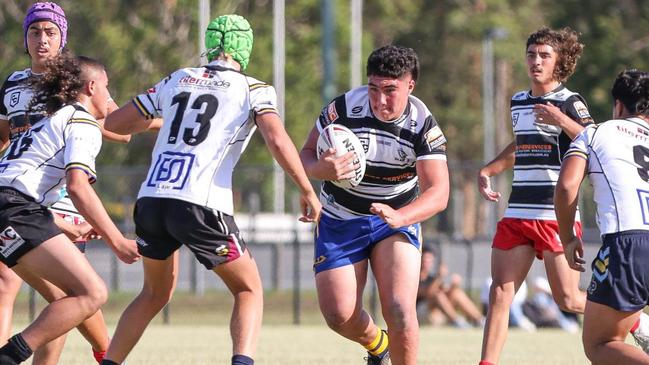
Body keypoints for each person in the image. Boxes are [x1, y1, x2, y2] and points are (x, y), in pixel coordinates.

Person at [99, 14, 321, 365]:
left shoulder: (178, 78)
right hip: (199, 205)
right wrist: (307, 189)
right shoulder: (255, 88)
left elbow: (114, 123)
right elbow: (276, 139)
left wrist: (167, 119)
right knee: (248, 289)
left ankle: (109, 362)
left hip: (152, 200)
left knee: (154, 293)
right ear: (243, 49)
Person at [477, 26, 649, 365]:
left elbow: (593, 140)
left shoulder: (571, 102)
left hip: (554, 213)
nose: (536, 61)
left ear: (560, 62)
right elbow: (522, 144)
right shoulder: (519, 101)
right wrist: (489, 169)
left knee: (569, 299)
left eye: (544, 55)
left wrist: (561, 119)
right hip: (517, 211)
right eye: (531, 54)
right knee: (500, 292)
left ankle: (636, 321)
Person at [0, 3, 133, 364]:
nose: (42, 39)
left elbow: (121, 124)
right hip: (24, 201)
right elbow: (78, 183)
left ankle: (104, 353)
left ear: (63, 39)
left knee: (67, 298)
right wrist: (116, 238)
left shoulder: (70, 92)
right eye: (35, 31)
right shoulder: (75, 116)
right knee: (84, 293)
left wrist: (165, 118)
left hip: (31, 202)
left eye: (50, 32)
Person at [300, 45, 449, 365]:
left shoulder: (422, 123)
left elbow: (439, 192)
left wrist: (400, 217)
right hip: (339, 219)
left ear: (411, 84)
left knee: (398, 308)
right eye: (374, 89)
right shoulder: (342, 108)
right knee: (338, 314)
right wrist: (320, 170)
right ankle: (379, 346)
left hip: (395, 222)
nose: (380, 100)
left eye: (390, 90)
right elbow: (306, 154)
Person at [555, 69, 649, 365]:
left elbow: (567, 186)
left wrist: (568, 237)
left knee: (601, 343)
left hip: (629, 245)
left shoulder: (595, 133)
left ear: (618, 105)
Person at [417, 243, 484, 328]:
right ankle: (456, 321)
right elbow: (429, 293)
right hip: (422, 313)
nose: (427, 262)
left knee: (456, 293)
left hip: (438, 313)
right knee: (437, 295)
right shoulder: (415, 277)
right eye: (425, 259)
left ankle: (480, 320)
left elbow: (445, 292)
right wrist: (439, 277)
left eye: (430, 259)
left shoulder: (432, 278)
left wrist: (453, 286)